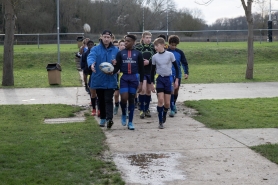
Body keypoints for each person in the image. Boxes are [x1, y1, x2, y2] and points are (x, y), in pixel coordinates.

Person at [87, 30, 119, 128]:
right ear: (101, 37)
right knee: (100, 99)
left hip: (110, 79)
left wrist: (116, 63)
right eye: (104, 37)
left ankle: (110, 119)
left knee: (108, 99)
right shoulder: (95, 49)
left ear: (111, 38)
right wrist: (91, 64)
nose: (106, 39)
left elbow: (119, 61)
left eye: (108, 37)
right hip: (98, 78)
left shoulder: (115, 50)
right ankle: (103, 118)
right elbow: (91, 57)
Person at [113, 34, 144, 130]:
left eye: (128, 41)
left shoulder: (138, 54)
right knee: (124, 98)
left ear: (133, 42)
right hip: (124, 77)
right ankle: (123, 113)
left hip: (134, 78)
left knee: (131, 99)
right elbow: (117, 67)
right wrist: (111, 70)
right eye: (125, 40)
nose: (126, 42)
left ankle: (130, 122)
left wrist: (141, 83)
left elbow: (142, 69)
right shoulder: (120, 53)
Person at [150, 37, 179, 129]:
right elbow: (152, 71)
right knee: (160, 100)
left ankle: (164, 114)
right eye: (154, 46)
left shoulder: (170, 55)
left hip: (168, 79)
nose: (155, 47)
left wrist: (176, 80)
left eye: (157, 45)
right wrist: (151, 83)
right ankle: (160, 121)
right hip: (160, 79)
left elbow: (177, 68)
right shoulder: (154, 57)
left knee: (167, 103)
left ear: (162, 45)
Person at [134, 31, 156, 119]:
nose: (148, 39)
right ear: (143, 38)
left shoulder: (153, 47)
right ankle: (141, 109)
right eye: (146, 38)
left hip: (150, 71)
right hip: (141, 71)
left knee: (148, 91)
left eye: (149, 38)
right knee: (142, 90)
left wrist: (149, 62)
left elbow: (156, 58)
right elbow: (135, 57)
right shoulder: (138, 47)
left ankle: (147, 109)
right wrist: (141, 62)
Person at [167, 35, 189, 117]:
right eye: (172, 45)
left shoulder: (180, 52)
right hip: (169, 74)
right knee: (171, 90)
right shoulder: (166, 51)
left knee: (176, 90)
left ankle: (174, 103)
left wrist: (186, 72)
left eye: (175, 45)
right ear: (169, 44)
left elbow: (184, 63)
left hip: (177, 74)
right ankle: (172, 107)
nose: (173, 46)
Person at [81, 40, 99, 116]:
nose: (91, 46)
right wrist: (85, 69)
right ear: (87, 46)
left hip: (98, 75)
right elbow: (83, 62)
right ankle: (94, 108)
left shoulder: (97, 53)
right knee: (92, 92)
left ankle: (99, 109)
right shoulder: (85, 54)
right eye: (89, 44)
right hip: (91, 74)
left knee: (100, 93)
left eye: (92, 44)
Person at [113, 39, 125, 115]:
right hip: (117, 76)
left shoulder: (127, 54)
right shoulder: (117, 54)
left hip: (125, 76)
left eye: (124, 45)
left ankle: (124, 108)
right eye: (121, 45)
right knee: (116, 94)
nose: (123, 46)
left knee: (124, 95)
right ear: (118, 46)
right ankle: (116, 105)